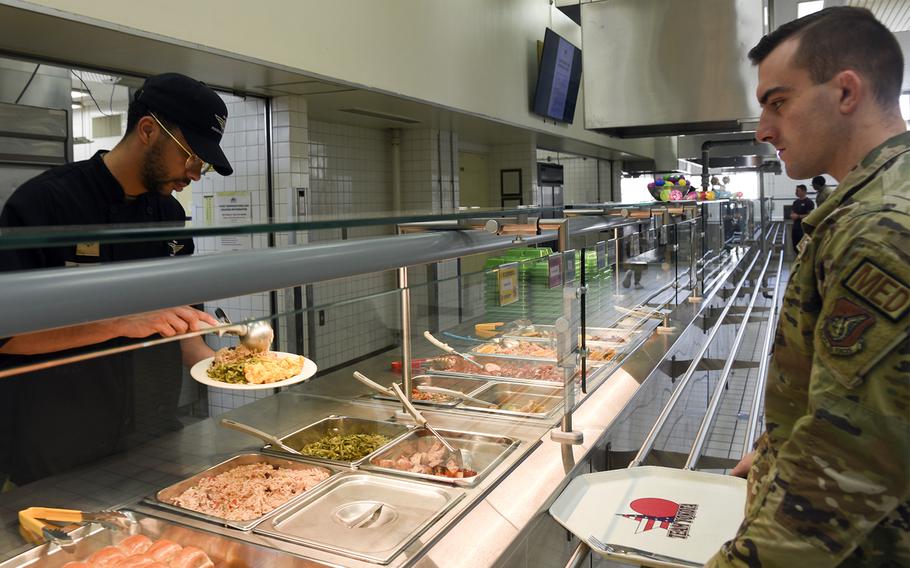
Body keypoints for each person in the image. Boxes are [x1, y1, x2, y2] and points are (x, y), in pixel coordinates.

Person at [707, 7, 909, 567]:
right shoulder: (875, 201)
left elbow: (854, 460)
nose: (764, 129)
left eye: (778, 102)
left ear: (846, 92)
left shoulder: (881, 229)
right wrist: (776, 450)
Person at [0, 73, 233, 488]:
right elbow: (9, 336)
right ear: (148, 130)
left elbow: (184, 326)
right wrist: (122, 323)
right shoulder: (45, 203)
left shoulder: (169, 216)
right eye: (191, 157)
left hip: (152, 430)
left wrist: (228, 366)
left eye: (203, 164)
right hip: (60, 440)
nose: (195, 174)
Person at [789, 183, 814, 252]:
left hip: (803, 228)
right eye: (796, 191)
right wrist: (792, 215)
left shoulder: (809, 202)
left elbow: (810, 215)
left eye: (798, 191)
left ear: (804, 191)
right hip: (795, 228)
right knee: (795, 246)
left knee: (803, 248)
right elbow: (792, 212)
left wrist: (799, 216)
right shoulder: (795, 202)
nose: (796, 192)